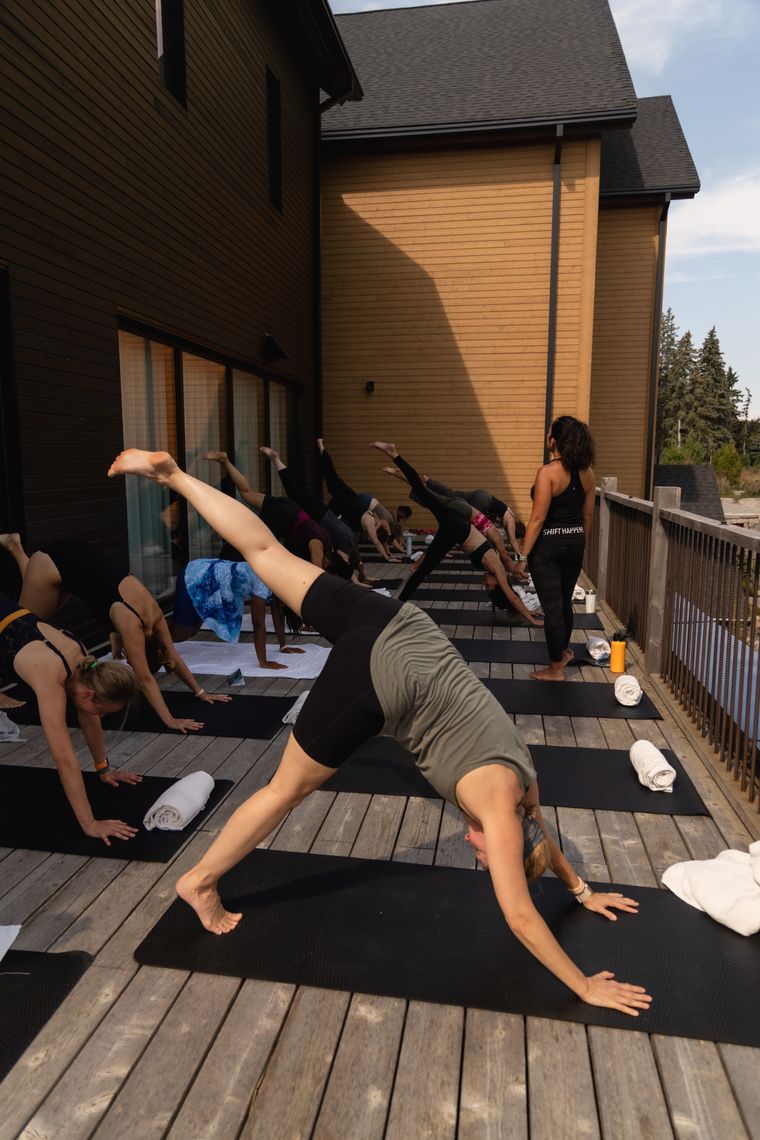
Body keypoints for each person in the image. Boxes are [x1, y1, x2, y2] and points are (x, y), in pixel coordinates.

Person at [108, 448, 652, 1020]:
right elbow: (519, 916)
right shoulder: (496, 808)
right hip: (378, 679)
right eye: (489, 857)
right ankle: (198, 882)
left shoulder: (524, 783)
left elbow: (541, 835)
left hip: (399, 623)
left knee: (263, 550)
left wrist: (583, 892)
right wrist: (584, 985)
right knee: (282, 791)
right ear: (505, 836)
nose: (475, 850)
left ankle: (171, 475)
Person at [0, 535, 231, 732]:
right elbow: (145, 678)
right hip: (56, 562)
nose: (128, 660)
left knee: (34, 612)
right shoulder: (131, 625)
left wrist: (200, 692)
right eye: (132, 659)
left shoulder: (155, 614)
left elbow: (172, 655)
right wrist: (169, 719)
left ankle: (16, 549)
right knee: (22, 622)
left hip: (75, 559)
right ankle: (16, 549)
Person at [0, 592, 141, 844]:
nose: (101, 717)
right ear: (89, 694)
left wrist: (103, 768)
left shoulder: (85, 662)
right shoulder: (50, 673)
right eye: (104, 711)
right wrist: (90, 823)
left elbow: (89, 716)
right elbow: (64, 758)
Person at [374, 444, 541, 624]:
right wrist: (531, 618)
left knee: (423, 491)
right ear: (498, 586)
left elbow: (512, 591)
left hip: (455, 522)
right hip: (455, 526)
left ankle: (394, 454)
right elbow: (513, 597)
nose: (485, 585)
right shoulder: (499, 569)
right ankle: (397, 604)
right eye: (489, 587)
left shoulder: (496, 567)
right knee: (422, 571)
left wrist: (521, 591)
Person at [519, 416, 596, 681]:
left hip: (547, 551)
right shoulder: (587, 474)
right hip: (574, 546)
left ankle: (555, 669)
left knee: (552, 608)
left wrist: (522, 556)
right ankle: (563, 653)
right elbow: (587, 517)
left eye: (550, 433)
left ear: (555, 440)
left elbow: (538, 519)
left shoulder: (548, 472)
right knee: (564, 604)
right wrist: (578, 541)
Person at [171, 547, 304, 671]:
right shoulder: (264, 580)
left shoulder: (276, 581)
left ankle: (159, 635)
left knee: (193, 630)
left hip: (210, 575)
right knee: (182, 633)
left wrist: (283, 646)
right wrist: (263, 662)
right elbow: (258, 623)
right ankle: (154, 641)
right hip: (195, 574)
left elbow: (277, 613)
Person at [203, 452, 337, 572]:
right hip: (285, 518)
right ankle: (223, 564)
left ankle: (224, 461)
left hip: (288, 506)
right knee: (250, 541)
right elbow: (317, 569)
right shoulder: (320, 546)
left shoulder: (326, 538)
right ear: (328, 560)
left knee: (247, 493)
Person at [259, 446, 370, 584]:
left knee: (294, 492)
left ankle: (276, 460)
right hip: (317, 514)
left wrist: (362, 574)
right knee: (293, 491)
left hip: (322, 510)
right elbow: (345, 565)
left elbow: (356, 560)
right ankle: (275, 459)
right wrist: (356, 582)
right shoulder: (344, 546)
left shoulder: (351, 538)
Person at [316, 439, 402, 561]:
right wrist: (387, 558)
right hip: (346, 499)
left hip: (347, 501)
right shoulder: (372, 523)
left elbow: (383, 541)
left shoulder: (380, 525)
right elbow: (377, 543)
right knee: (330, 474)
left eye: (386, 528)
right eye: (387, 527)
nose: (386, 526)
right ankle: (321, 447)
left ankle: (321, 452)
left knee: (328, 479)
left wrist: (389, 554)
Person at [423, 478, 524, 554]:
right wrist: (521, 557)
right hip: (483, 502)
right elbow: (513, 540)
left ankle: (428, 481)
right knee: (467, 524)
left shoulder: (511, 515)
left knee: (453, 494)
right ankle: (452, 544)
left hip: (482, 495)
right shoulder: (510, 521)